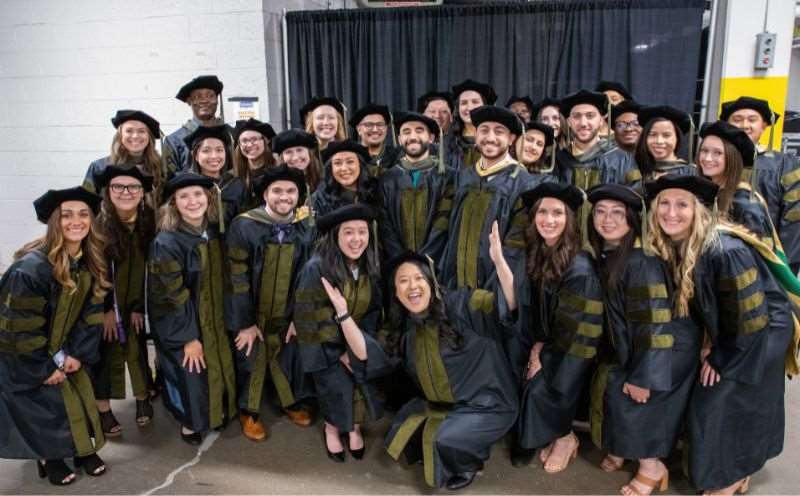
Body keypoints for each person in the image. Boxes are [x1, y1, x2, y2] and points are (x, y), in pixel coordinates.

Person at [643, 174, 796, 495]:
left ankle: (733, 475)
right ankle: (733, 469)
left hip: (761, 334)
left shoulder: (725, 250)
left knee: (722, 404)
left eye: (682, 205)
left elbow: (750, 316)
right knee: (715, 405)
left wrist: (721, 357)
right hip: (735, 331)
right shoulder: (680, 244)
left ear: (698, 211)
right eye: (664, 204)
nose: (671, 212)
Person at [378, 240, 519, 490]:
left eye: (419, 278)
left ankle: (468, 462)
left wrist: (499, 264)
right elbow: (379, 355)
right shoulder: (407, 327)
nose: (412, 286)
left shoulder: (463, 303)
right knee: (403, 428)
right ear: (396, 293)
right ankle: (464, 435)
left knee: (445, 439)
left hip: (489, 404)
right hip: (446, 404)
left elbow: (506, 306)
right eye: (403, 281)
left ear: (431, 282)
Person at [587, 183, 697, 496]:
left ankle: (652, 467)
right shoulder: (612, 253)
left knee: (633, 401)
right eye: (600, 212)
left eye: (617, 213)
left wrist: (643, 376)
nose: (607, 220)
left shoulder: (640, 262)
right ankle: (625, 450)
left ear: (633, 220)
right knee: (613, 388)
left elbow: (654, 324)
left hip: (666, 348)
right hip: (642, 344)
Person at [0, 186, 110, 485]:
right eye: (67, 215)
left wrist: (77, 353)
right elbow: (18, 327)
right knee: (46, 405)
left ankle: (82, 448)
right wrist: (45, 367)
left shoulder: (88, 262)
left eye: (84, 214)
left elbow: (91, 315)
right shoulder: (30, 270)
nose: (77, 221)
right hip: (27, 354)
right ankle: (50, 456)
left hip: (65, 348)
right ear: (53, 222)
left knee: (80, 393)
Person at [510, 183, 603, 473]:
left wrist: (544, 356)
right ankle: (555, 433)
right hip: (551, 343)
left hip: (574, 353)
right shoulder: (540, 250)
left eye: (558, 214)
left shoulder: (579, 267)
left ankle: (565, 437)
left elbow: (576, 331)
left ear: (570, 220)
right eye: (542, 212)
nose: (549, 220)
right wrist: (537, 345)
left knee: (540, 389)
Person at [226, 165, 315, 441]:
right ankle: (248, 411)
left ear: (299, 195)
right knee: (251, 359)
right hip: (252, 310)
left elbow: (307, 275)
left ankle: (289, 402)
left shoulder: (305, 226)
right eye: (277, 190)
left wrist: (298, 317)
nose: (284, 196)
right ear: (265, 193)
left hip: (287, 310)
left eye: (291, 191)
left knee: (285, 356)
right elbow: (236, 275)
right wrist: (245, 322)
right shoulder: (245, 224)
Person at [147, 173, 237, 445]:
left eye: (198, 194)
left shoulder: (213, 231)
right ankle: (190, 422)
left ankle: (217, 412)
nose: (192, 201)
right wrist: (189, 338)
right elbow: (173, 296)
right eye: (184, 196)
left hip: (213, 316)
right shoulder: (167, 242)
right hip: (181, 321)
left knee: (218, 363)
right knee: (190, 372)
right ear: (173, 203)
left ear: (208, 198)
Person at [290, 204, 384, 463]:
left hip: (357, 341)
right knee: (336, 387)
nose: (357, 240)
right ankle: (332, 428)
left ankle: (353, 428)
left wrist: (361, 345)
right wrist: (340, 352)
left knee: (359, 385)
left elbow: (375, 309)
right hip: (324, 347)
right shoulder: (317, 267)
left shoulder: (369, 264)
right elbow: (310, 315)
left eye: (362, 232)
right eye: (349, 233)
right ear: (336, 236)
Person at [91, 165, 156, 439]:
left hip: (135, 302)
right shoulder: (97, 225)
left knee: (137, 350)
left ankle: (143, 398)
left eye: (134, 187)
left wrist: (140, 307)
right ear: (108, 191)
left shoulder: (148, 222)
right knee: (105, 357)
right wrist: (105, 310)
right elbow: (95, 272)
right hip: (106, 304)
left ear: (142, 193)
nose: (126, 192)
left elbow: (150, 269)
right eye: (118, 187)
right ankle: (103, 410)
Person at [439, 105, 531, 290]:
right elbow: (444, 230)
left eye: (499, 132)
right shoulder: (462, 178)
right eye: (484, 130)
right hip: (453, 286)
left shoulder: (523, 183)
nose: (490, 138)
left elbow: (517, 246)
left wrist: (496, 289)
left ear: (512, 138)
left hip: (494, 290)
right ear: (476, 135)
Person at [721, 96, 800, 272]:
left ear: (764, 125)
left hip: (768, 257)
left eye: (752, 119)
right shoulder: (714, 160)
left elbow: (794, 221)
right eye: (737, 119)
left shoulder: (785, 165)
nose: (744, 125)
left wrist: (783, 266)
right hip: (722, 255)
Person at [379, 112, 454, 263]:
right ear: (400, 140)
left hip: (436, 264)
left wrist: (424, 260)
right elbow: (385, 226)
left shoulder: (448, 177)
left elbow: (443, 224)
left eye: (419, 130)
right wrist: (402, 260)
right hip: (397, 265)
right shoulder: (387, 179)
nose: (413, 136)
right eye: (406, 132)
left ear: (431, 138)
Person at [696, 121, 780, 254]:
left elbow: (752, 258)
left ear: (732, 158)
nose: (707, 158)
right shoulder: (706, 194)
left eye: (718, 153)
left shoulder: (745, 203)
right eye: (704, 151)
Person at [555, 89, 640, 190]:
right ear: (569, 122)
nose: (583, 123)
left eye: (590, 116)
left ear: (601, 121)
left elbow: (635, 196)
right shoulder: (559, 160)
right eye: (577, 116)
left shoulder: (623, 160)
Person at [84, 110, 166, 196]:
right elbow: (86, 203)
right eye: (129, 131)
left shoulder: (161, 168)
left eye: (141, 131)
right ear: (120, 136)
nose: (135, 136)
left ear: (149, 137)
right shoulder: (99, 167)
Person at [185, 124, 245, 231]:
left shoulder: (236, 185)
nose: (214, 156)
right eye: (206, 151)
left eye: (219, 150)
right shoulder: (186, 187)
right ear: (196, 156)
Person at [165, 75, 230, 173]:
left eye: (210, 96)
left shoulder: (231, 135)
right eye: (198, 97)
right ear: (189, 101)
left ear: (217, 100)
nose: (204, 100)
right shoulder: (173, 141)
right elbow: (170, 179)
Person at [310, 140, 379, 217]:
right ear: (331, 168)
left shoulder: (377, 191)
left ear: (360, 164)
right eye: (337, 163)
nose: (344, 168)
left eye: (350, 162)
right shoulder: (318, 199)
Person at [445, 79, 498, 170]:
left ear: (485, 106)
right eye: (464, 103)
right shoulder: (449, 141)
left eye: (475, 102)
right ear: (458, 109)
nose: (469, 107)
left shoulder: (498, 139)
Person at [635, 105, 695, 181]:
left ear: (677, 138)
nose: (659, 141)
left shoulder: (691, 174)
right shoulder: (638, 172)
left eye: (666, 135)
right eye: (653, 134)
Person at [232, 118, 277, 210]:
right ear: (239, 145)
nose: (249, 145)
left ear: (266, 141)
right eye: (244, 141)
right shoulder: (232, 177)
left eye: (254, 139)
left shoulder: (279, 171)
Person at [349, 103, 400, 176]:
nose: (375, 130)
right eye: (369, 125)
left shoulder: (398, 157)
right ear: (359, 129)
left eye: (380, 124)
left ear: (386, 128)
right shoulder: (351, 157)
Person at [271, 129, 323, 200]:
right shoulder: (273, 186)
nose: (295, 157)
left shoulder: (324, 180)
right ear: (282, 158)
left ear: (309, 153)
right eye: (288, 152)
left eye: (299, 150)